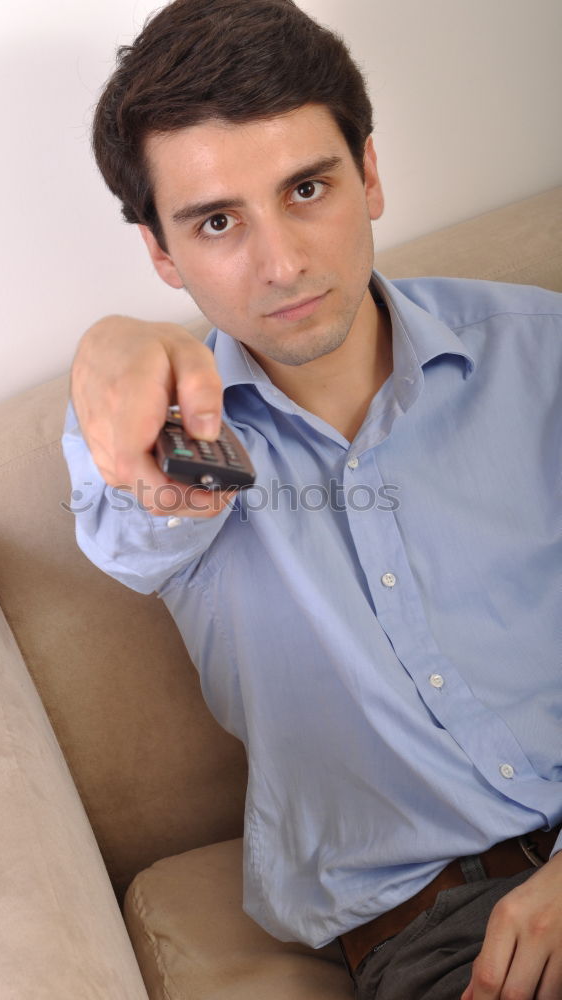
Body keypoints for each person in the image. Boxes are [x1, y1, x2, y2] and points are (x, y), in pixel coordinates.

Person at [61, 1, 562, 997]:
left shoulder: (539, 351)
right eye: (215, 221)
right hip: (439, 928)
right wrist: (106, 345)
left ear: (368, 175)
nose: (281, 262)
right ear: (164, 255)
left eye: (306, 188)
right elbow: (129, 517)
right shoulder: (158, 435)